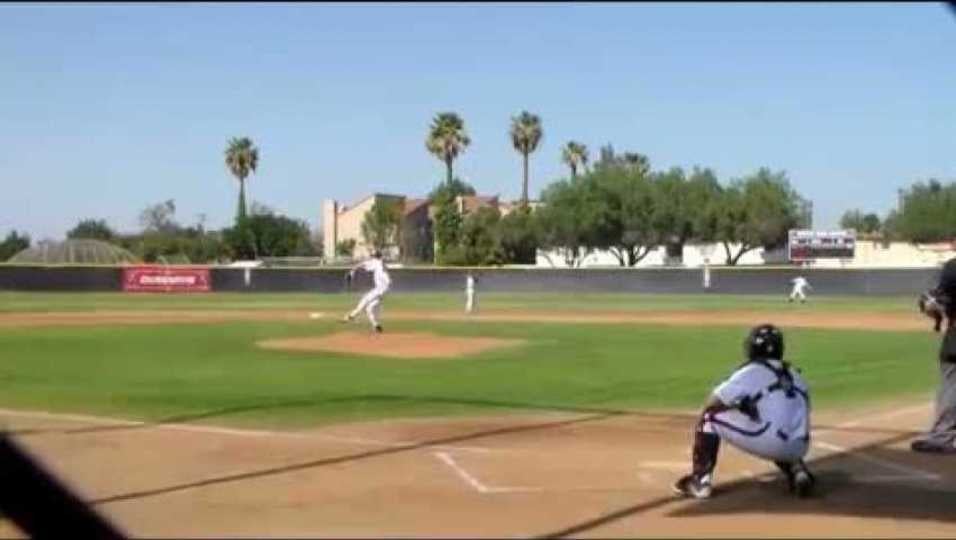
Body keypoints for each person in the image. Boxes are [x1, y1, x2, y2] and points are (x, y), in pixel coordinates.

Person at [673, 324, 815, 499]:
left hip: (772, 443)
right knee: (784, 427)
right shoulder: (795, 374)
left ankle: (700, 482)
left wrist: (737, 408)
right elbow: (802, 409)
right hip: (800, 446)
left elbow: (713, 401)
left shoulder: (751, 371)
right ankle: (798, 471)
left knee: (709, 418)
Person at [911, 257, 956, 453]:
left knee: (951, 385)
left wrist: (936, 314)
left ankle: (943, 436)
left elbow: (932, 302)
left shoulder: (953, 268)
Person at [341, 250, 391, 333]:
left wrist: (352, 271)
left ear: (375, 256)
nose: (371, 257)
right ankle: (377, 326)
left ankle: (351, 316)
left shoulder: (376, 262)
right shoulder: (382, 263)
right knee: (369, 309)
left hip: (380, 289)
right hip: (385, 290)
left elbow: (362, 264)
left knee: (364, 300)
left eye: (373, 256)